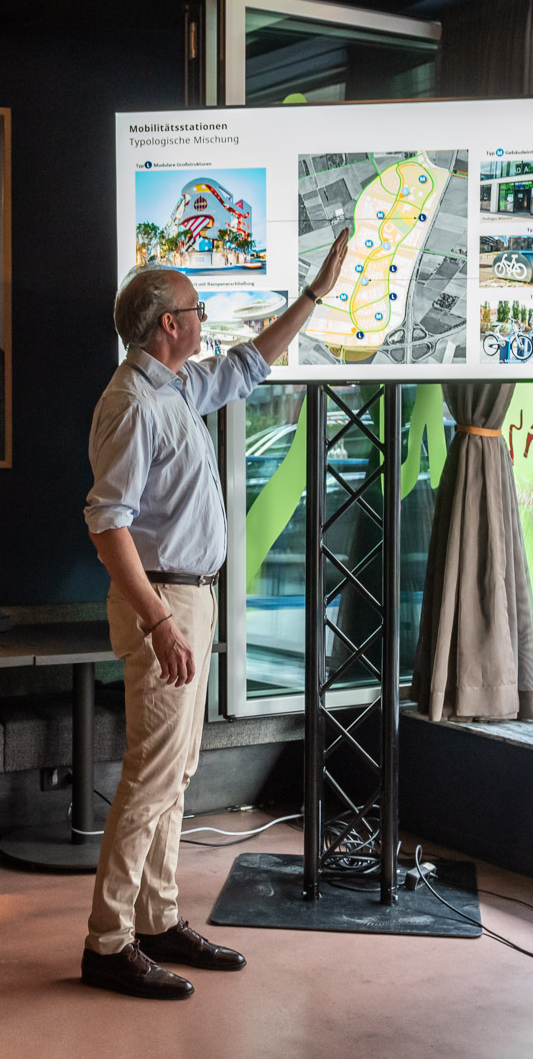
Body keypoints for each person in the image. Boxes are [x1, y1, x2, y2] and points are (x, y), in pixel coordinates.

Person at [81, 229, 349, 1000]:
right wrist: (160, 621)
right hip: (161, 601)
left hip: (188, 596)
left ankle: (159, 917)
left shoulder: (172, 387)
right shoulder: (131, 402)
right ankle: (108, 939)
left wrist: (315, 296)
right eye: (198, 309)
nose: (207, 321)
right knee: (151, 775)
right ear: (168, 323)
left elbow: (248, 364)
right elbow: (107, 522)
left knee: (177, 772)